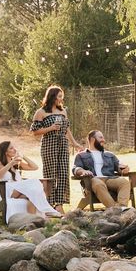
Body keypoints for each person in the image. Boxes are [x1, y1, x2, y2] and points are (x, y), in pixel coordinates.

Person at [29, 85, 84, 214]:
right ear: (52, 96)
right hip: (49, 145)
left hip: (63, 145)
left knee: (63, 174)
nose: (61, 99)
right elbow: (35, 131)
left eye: (62, 96)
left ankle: (59, 204)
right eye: (59, 96)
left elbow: (67, 130)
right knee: (50, 174)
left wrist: (75, 143)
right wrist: (51, 128)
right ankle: (49, 203)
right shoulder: (41, 112)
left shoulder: (63, 111)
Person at [0, 141, 62, 220]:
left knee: (33, 196)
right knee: (34, 182)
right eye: (11, 148)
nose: (15, 150)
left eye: (14, 147)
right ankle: (47, 210)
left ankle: (32, 220)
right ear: (5, 152)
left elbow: (35, 167)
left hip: (18, 191)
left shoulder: (16, 162)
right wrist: (10, 164)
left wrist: (23, 156)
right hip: (5, 191)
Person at [72, 130, 132, 208]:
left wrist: (125, 169)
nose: (103, 140)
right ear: (93, 139)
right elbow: (76, 168)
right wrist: (82, 171)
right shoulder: (81, 155)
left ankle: (122, 207)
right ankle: (114, 209)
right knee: (98, 183)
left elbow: (119, 166)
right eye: (100, 137)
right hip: (93, 179)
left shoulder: (109, 154)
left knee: (124, 182)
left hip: (109, 179)